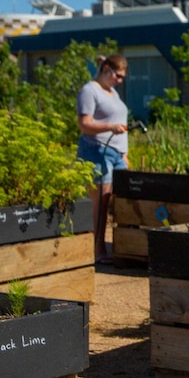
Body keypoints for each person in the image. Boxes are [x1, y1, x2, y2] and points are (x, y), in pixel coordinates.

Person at [76, 54, 130, 265]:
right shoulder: (89, 90)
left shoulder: (112, 93)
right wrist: (109, 127)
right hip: (97, 151)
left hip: (117, 154)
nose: (120, 81)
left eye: (122, 77)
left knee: (121, 198)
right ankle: (97, 250)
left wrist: (124, 153)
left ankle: (120, 246)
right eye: (117, 75)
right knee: (101, 202)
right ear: (106, 69)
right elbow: (84, 124)